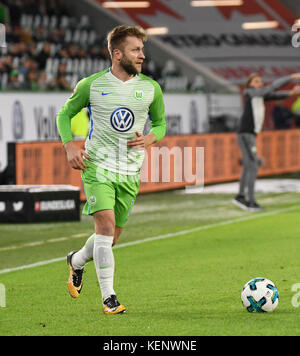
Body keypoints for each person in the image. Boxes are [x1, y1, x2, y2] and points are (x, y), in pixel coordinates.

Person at [56, 25, 166, 315]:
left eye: (142, 49)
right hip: (97, 167)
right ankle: (109, 298)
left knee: (111, 238)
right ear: (117, 54)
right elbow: (64, 114)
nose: (142, 55)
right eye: (135, 50)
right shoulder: (91, 85)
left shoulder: (151, 88)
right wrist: (69, 146)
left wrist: (150, 138)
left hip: (130, 173)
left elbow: (160, 124)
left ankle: (76, 260)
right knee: (104, 227)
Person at [232, 73, 300, 211]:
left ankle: (240, 196)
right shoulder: (250, 92)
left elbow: (276, 95)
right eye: (257, 81)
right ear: (250, 84)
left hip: (247, 134)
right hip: (247, 135)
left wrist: (292, 93)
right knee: (254, 166)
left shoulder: (259, 95)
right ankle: (250, 202)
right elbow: (273, 87)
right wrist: (291, 77)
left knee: (248, 166)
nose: (260, 83)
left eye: (261, 81)